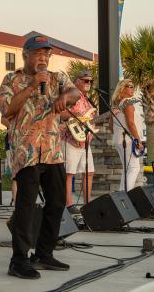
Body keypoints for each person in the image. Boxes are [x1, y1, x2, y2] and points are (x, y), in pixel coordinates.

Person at [0, 35, 80, 280]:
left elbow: (75, 92)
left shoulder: (57, 78)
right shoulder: (12, 79)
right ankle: (18, 260)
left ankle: (43, 254)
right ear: (25, 55)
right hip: (27, 152)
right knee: (26, 206)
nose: (43, 59)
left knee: (56, 203)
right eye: (38, 54)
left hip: (53, 150)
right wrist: (33, 85)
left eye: (46, 54)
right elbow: (8, 110)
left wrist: (66, 97)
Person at [60, 70, 96, 214]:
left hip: (85, 142)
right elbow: (61, 113)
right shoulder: (71, 95)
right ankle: (69, 205)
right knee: (69, 173)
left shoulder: (87, 100)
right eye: (86, 81)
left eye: (90, 81)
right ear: (77, 81)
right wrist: (77, 117)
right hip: (71, 139)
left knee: (89, 172)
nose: (89, 84)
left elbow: (89, 119)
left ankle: (87, 204)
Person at [111, 79, 144, 191]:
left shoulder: (118, 105)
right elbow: (131, 123)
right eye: (129, 86)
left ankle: (122, 195)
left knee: (128, 168)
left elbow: (111, 126)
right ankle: (127, 197)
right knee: (134, 168)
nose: (132, 88)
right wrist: (138, 140)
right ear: (122, 89)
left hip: (119, 139)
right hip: (128, 140)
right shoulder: (128, 103)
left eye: (133, 86)